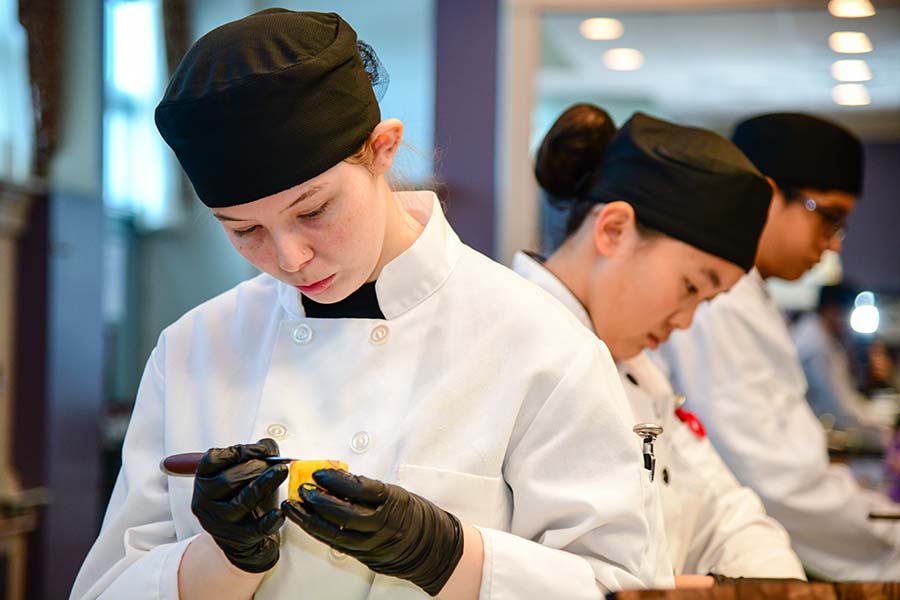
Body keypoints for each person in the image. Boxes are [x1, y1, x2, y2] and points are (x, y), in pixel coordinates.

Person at [70, 10, 672, 600]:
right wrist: (221, 558)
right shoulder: (194, 347)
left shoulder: (539, 342)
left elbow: (618, 585)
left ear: (383, 149)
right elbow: (106, 587)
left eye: (313, 211)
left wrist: (447, 556)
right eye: (243, 230)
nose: (290, 257)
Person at [512, 104, 805, 585]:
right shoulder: (506, 346)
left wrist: (758, 587)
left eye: (707, 301)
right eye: (691, 286)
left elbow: (729, 514)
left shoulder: (641, 372)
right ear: (613, 230)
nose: (687, 321)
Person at [655, 112, 900, 579]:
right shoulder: (720, 302)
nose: (833, 247)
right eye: (829, 218)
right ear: (765, 196)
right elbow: (769, 478)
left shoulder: (748, 295)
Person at [791, 283, 888, 450]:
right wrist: (883, 435)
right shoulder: (815, 344)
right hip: (813, 436)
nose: (847, 322)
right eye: (846, 314)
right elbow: (839, 407)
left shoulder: (822, 334)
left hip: (817, 431)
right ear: (832, 310)